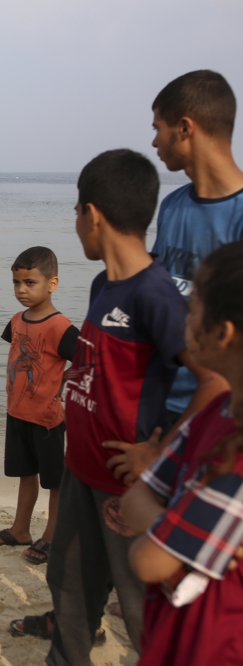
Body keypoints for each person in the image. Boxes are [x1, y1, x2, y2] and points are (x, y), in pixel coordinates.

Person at [32, 148, 197, 665]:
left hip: (125, 486)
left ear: (93, 214)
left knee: (142, 608)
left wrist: (160, 450)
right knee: (70, 588)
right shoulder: (105, 284)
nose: (76, 225)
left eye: (76, 214)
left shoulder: (157, 293)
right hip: (80, 471)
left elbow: (215, 378)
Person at [104, 69, 238, 487]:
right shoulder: (174, 205)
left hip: (217, 409)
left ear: (185, 128)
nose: (154, 141)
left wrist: (167, 450)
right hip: (161, 401)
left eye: (157, 128)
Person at [122, 241, 243, 665]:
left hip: (214, 644)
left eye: (192, 306)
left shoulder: (238, 455)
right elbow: (135, 498)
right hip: (174, 631)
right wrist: (192, 541)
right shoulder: (215, 410)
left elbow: (148, 560)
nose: (184, 316)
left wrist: (164, 536)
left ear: (222, 333)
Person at [0, 247, 78, 566]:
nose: (21, 289)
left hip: (47, 418)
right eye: (16, 282)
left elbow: (90, 359)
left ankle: (51, 536)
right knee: (25, 474)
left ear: (52, 283)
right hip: (18, 413)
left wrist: (60, 386)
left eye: (30, 282)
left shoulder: (60, 326)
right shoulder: (17, 319)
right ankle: (20, 530)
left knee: (54, 481)